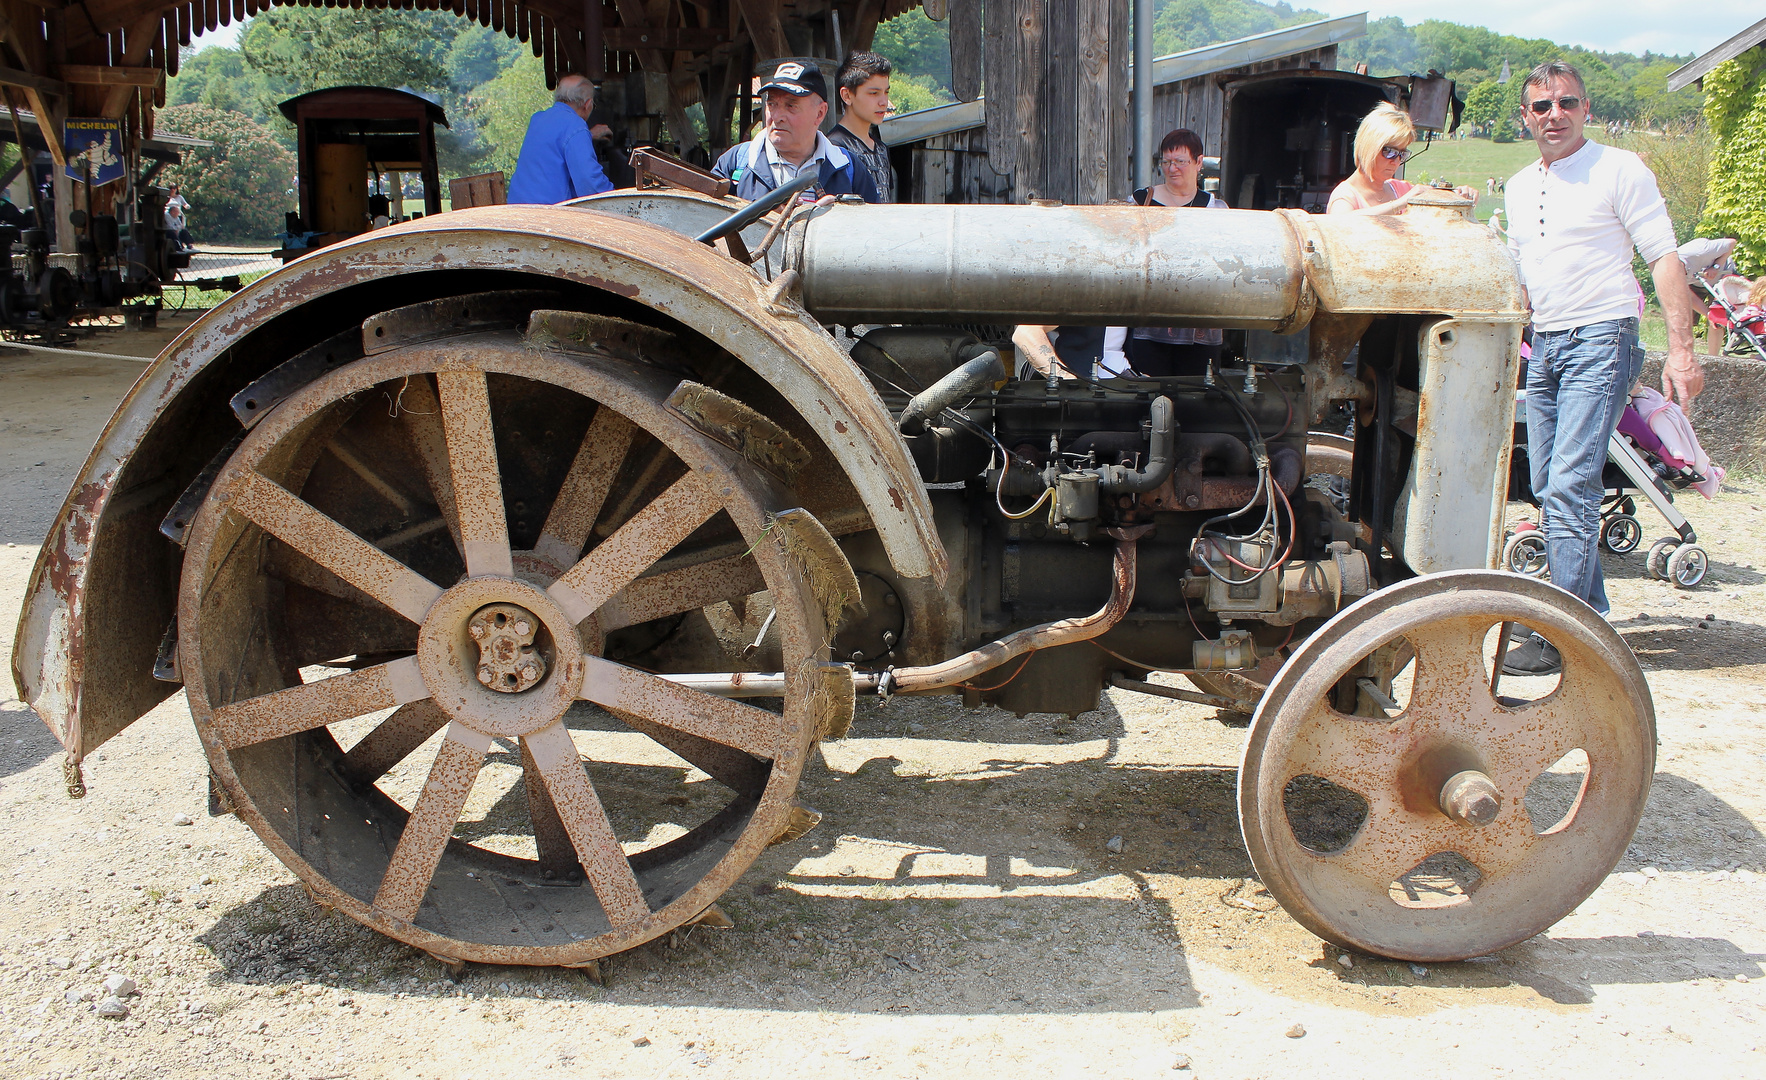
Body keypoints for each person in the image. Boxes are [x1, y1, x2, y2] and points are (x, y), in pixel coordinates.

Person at [1500, 60, 1704, 676]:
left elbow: (1664, 258)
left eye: (1566, 103)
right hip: (1547, 344)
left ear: (1586, 109)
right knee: (1548, 486)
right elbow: (1517, 275)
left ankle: (1566, 636)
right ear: (1526, 117)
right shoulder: (1515, 185)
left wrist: (1682, 348)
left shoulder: (1618, 168)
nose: (1554, 115)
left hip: (1603, 337)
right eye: (1542, 106)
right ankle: (1591, 621)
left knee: (1569, 486)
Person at [1124, 129, 1226, 376]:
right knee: (1149, 396)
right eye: (1166, 162)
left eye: (1180, 162)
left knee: (1194, 397)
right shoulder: (1140, 202)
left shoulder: (1216, 210)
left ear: (1198, 162)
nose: (1172, 169)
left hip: (1199, 323)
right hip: (1149, 322)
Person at [712, 61, 880, 204]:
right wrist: (762, 216)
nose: (777, 117)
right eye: (772, 105)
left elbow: (871, 234)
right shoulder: (735, 163)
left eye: (790, 106)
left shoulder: (849, 168)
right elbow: (703, 227)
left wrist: (834, 220)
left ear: (820, 113)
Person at [1326, 102, 1476, 215]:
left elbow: (1439, 201)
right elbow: (1342, 224)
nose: (1396, 161)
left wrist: (1460, 194)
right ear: (1369, 147)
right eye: (1389, 151)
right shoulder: (1345, 197)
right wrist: (1401, 203)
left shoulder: (1401, 189)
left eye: (1402, 154)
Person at [507, 74, 613, 204]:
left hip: (516, 207)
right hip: (547, 213)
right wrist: (616, 199)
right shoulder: (575, 125)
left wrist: (588, 135)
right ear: (588, 104)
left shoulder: (538, 119)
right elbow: (589, 183)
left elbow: (553, 144)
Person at [827, 52, 896, 203]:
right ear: (847, 96)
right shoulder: (833, 148)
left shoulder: (881, 148)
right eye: (874, 93)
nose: (883, 101)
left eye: (886, 92)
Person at [164, 183, 193, 249]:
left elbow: (185, 204)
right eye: (171, 188)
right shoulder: (166, 198)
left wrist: (187, 206)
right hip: (169, 214)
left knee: (182, 229)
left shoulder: (179, 197)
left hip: (177, 215)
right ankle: (179, 244)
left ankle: (188, 243)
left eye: (174, 188)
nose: (172, 190)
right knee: (172, 230)